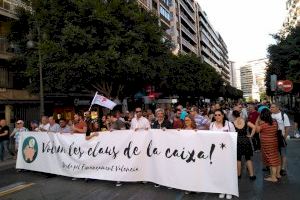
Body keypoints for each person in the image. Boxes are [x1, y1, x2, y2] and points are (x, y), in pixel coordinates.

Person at [209, 109, 235, 200]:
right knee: (219, 171)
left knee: (228, 171)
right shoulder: (212, 125)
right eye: (215, 115)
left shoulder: (229, 124)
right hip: (216, 152)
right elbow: (208, 137)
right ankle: (222, 189)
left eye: (219, 115)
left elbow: (234, 138)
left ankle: (229, 190)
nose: (217, 117)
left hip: (227, 152)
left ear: (223, 115)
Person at [256, 108, 281, 182]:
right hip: (274, 142)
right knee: (275, 157)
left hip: (266, 143)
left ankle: (273, 178)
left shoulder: (263, 124)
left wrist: (257, 121)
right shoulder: (275, 122)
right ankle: (275, 174)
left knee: (271, 159)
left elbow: (257, 130)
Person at [232, 110, 256, 180]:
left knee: (238, 159)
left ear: (233, 116)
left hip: (237, 141)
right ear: (240, 114)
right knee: (248, 158)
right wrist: (251, 135)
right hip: (246, 140)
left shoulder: (233, 123)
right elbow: (254, 127)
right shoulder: (245, 121)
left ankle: (238, 175)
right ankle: (252, 175)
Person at [270, 103, 291, 176]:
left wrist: (284, 137)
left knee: (283, 154)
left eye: (273, 107)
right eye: (271, 107)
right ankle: (275, 167)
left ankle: (283, 169)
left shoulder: (283, 115)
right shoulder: (270, 115)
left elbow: (287, 127)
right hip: (272, 137)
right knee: (275, 153)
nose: (271, 109)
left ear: (277, 107)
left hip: (281, 137)